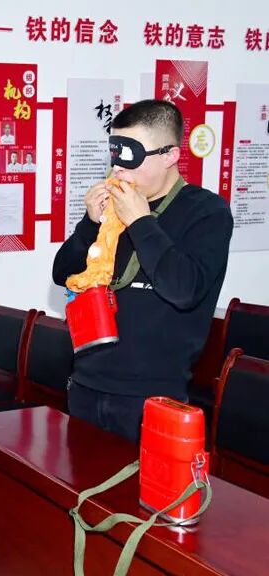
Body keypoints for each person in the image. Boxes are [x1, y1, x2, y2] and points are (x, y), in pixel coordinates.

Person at [53, 99, 233, 443]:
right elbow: (63, 272)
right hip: (88, 383)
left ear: (170, 156)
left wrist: (140, 221)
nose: (119, 170)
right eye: (115, 156)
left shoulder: (207, 212)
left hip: (152, 396)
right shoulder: (114, 208)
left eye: (131, 157)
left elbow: (184, 289)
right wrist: (90, 225)